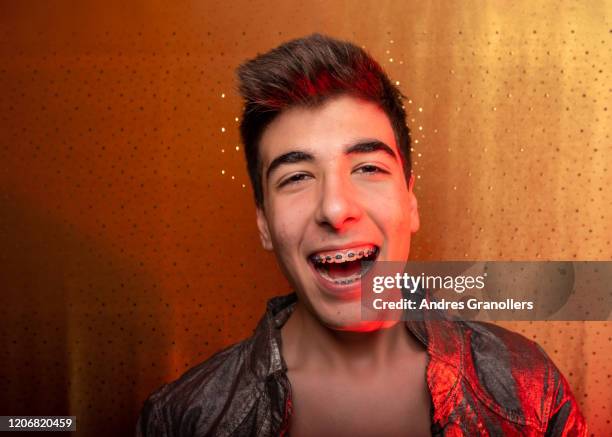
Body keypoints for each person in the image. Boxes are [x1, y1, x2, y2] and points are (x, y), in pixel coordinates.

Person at [136, 33, 586, 436]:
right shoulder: (180, 419)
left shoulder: (529, 390)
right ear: (263, 223)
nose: (335, 208)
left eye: (368, 167)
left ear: (410, 202)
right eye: (296, 177)